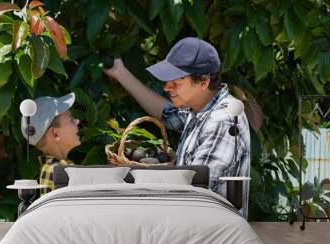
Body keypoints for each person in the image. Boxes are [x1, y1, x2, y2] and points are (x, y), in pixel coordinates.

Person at [104, 37, 251, 215]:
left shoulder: (221, 121)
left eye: (177, 82)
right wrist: (120, 72)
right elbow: (167, 114)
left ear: (203, 82)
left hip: (208, 237)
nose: (167, 87)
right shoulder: (199, 109)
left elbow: (195, 191)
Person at [20, 92, 80, 194]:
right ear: (55, 134)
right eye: (70, 120)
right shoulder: (58, 173)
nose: (77, 121)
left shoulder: (54, 169)